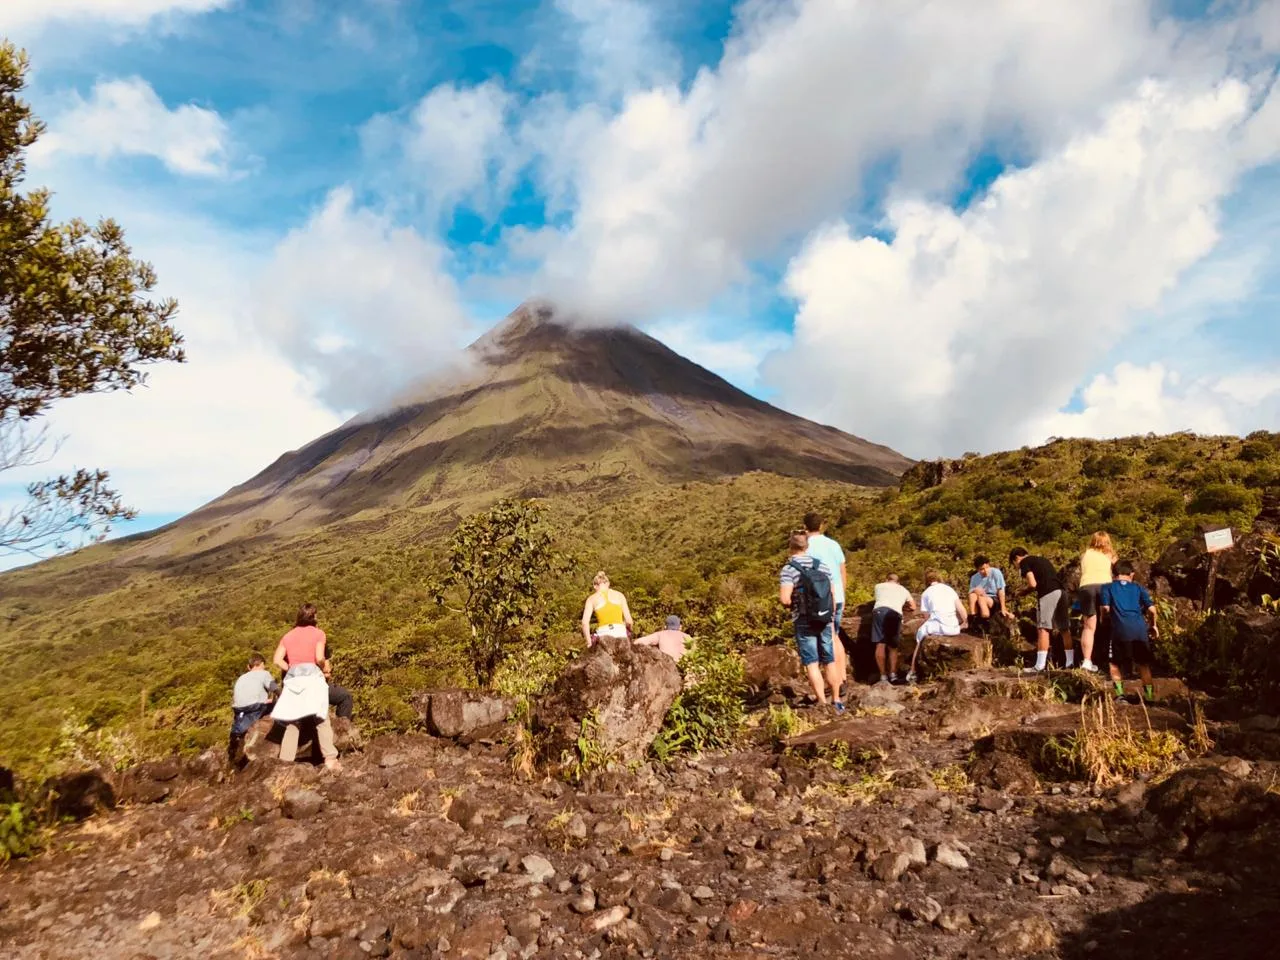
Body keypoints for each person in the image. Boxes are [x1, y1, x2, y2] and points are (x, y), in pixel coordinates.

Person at [778, 530, 843, 712]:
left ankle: (822, 702)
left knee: (812, 662)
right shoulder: (821, 566)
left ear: (791, 546)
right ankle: (837, 699)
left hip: (804, 619)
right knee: (829, 660)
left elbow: (785, 599)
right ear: (807, 546)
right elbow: (832, 593)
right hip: (825, 617)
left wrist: (792, 603)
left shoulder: (789, 569)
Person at [271, 603, 341, 771]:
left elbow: (276, 660)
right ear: (314, 617)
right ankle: (330, 759)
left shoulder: (288, 636)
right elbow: (319, 657)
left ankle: (285, 764)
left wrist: (292, 668)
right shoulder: (319, 634)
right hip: (312, 677)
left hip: (293, 680)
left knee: (293, 722)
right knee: (322, 718)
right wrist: (323, 666)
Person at [803, 512, 849, 693]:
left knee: (824, 638)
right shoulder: (833, 544)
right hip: (838, 596)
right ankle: (842, 677)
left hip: (820, 598)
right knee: (834, 635)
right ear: (821, 526)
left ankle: (834, 682)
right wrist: (842, 595)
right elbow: (842, 571)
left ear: (805, 526)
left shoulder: (806, 547)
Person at [1100, 560, 1159, 703]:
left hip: (1119, 630)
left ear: (1114, 574)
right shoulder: (1138, 588)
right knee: (1143, 664)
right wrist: (1154, 625)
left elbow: (1106, 608)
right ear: (1131, 574)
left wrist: (1103, 619)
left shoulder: (1107, 587)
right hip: (1140, 630)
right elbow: (1152, 610)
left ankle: (1120, 695)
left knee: (1114, 663)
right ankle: (1149, 697)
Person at [1010, 547, 1075, 673]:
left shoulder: (1024, 562)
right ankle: (1070, 663)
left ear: (1016, 559)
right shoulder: (1042, 560)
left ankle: (1039, 666)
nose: (1017, 567)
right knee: (1064, 629)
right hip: (1061, 592)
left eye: (1014, 564)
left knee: (1043, 629)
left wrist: (1022, 592)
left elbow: (1032, 584)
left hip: (1047, 593)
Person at [907, 572, 967, 683]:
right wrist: (964, 623)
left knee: (919, 637)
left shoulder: (926, 593)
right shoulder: (949, 589)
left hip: (937, 626)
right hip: (953, 627)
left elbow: (926, 617)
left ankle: (912, 671)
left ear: (927, 582)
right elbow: (961, 609)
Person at [1077, 532, 1117, 674]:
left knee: (1088, 627)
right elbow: (1117, 568)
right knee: (1110, 622)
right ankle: (1112, 658)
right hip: (1105, 586)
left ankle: (1087, 661)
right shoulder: (1110, 555)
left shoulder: (1085, 554)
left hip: (1086, 586)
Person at [229, 654, 278, 761]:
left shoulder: (242, 677)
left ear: (248, 667)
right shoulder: (264, 673)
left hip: (239, 710)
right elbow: (275, 688)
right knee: (277, 706)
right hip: (254, 708)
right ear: (262, 664)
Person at [870, 574, 915, 684]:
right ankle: (893, 675)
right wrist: (903, 606)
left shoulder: (878, 586)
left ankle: (883, 676)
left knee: (880, 644)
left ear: (886, 580)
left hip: (879, 611)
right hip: (895, 613)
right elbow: (913, 606)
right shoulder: (903, 589)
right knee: (893, 646)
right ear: (898, 582)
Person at [581, 571, 634, 645]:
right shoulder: (620, 595)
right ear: (608, 583)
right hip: (621, 632)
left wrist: (589, 642)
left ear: (594, 586)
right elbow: (629, 621)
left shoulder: (591, 599)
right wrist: (629, 630)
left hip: (603, 634)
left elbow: (584, 623)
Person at [319, 637, 354, 720]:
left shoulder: (290, 641)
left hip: (292, 687)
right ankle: (341, 729)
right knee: (345, 697)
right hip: (315, 686)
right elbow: (327, 670)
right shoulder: (319, 643)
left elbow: (327, 671)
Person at [968, 556, 1011, 620]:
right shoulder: (974, 577)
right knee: (972, 595)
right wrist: (975, 590)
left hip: (993, 599)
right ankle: (974, 615)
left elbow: (1001, 590)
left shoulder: (996, 572)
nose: (985, 571)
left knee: (981, 599)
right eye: (982, 569)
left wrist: (1003, 607)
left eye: (987, 568)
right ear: (977, 569)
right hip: (980, 597)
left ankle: (986, 616)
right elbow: (970, 592)